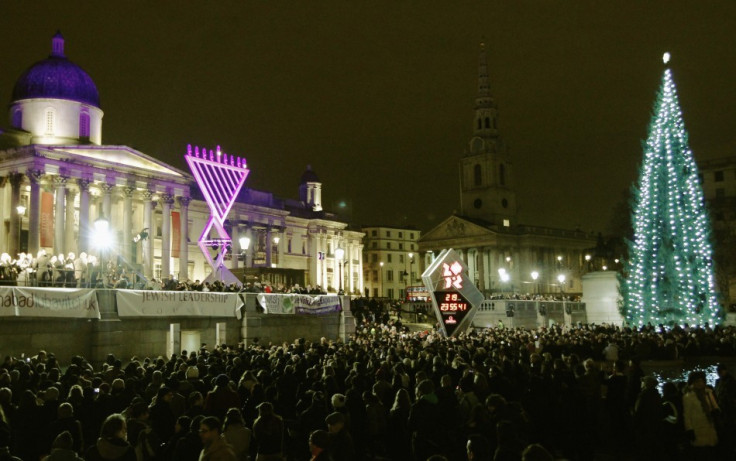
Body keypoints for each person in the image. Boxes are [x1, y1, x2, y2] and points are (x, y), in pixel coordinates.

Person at [683, 370, 719, 460]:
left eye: (702, 381)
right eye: (697, 381)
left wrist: (716, 412)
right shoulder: (688, 397)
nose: (700, 383)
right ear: (693, 382)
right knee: (701, 453)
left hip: (709, 426)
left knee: (710, 452)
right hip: (697, 428)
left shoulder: (708, 393)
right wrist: (689, 429)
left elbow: (715, 407)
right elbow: (687, 415)